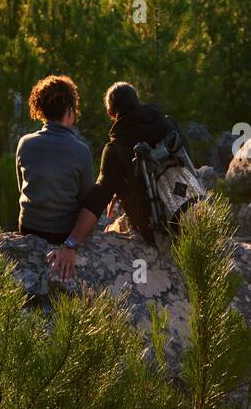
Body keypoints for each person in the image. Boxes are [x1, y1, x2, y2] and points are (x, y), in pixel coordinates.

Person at [47, 80, 174, 280]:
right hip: (186, 217)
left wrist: (71, 243)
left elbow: (98, 199)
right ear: (137, 103)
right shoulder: (168, 126)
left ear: (111, 113)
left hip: (156, 230)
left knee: (110, 228)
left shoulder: (116, 148)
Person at [15, 74, 94, 245]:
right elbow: (86, 200)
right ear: (70, 111)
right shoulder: (81, 151)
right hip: (62, 233)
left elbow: (22, 188)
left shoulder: (25, 143)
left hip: (28, 227)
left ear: (41, 110)